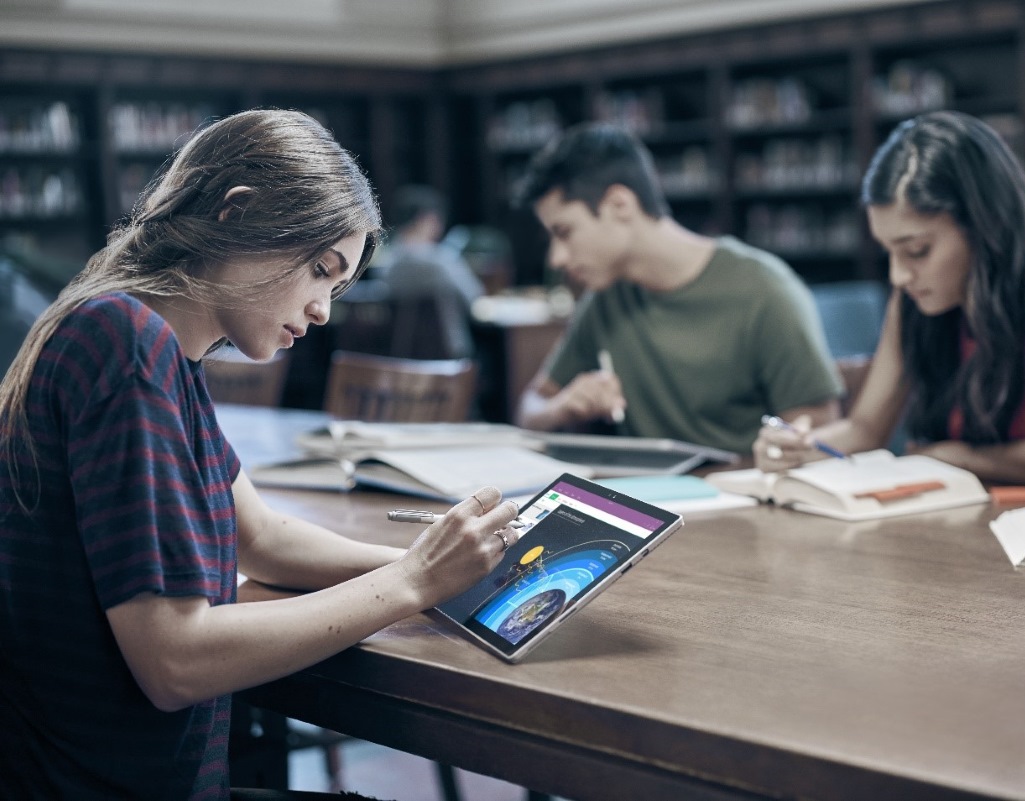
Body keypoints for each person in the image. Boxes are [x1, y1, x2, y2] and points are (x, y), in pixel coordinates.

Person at [0, 109, 524, 799]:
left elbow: (263, 537)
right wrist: (412, 586)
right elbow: (175, 661)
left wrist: (440, 567)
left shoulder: (158, 346)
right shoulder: (126, 344)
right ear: (235, 214)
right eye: (318, 269)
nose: (323, 310)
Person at [754, 110, 1025, 488]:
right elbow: (866, 429)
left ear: (982, 224)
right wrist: (798, 447)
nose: (898, 276)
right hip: (972, 528)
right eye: (889, 252)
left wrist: (941, 455)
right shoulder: (917, 293)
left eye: (917, 250)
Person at [512, 122, 843, 454]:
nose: (556, 258)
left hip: (744, 493)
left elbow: (818, 429)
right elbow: (529, 407)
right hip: (644, 497)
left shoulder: (764, 289)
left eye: (564, 231)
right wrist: (563, 406)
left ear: (619, 205)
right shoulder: (604, 298)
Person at [370, 183, 484, 359]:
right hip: (450, 351)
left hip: (401, 355)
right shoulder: (440, 261)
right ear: (427, 219)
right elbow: (475, 298)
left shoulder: (387, 264)